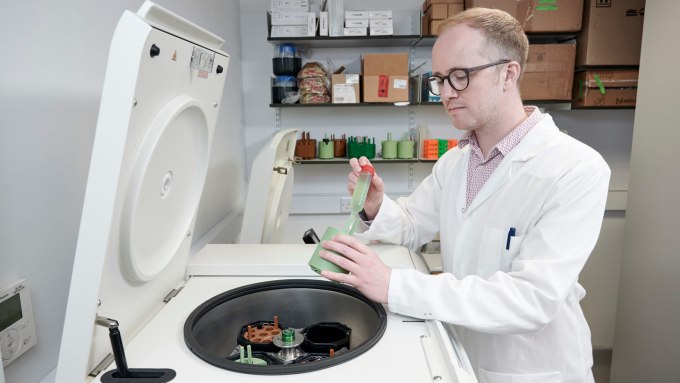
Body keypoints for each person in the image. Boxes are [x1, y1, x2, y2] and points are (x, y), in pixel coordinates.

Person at [318, 7, 610, 383]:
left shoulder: (576, 168)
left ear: (509, 73)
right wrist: (375, 207)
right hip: (458, 353)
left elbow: (533, 299)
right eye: (440, 79)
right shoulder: (456, 161)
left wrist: (395, 285)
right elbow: (412, 225)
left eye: (461, 76)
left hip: (530, 368)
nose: (446, 94)